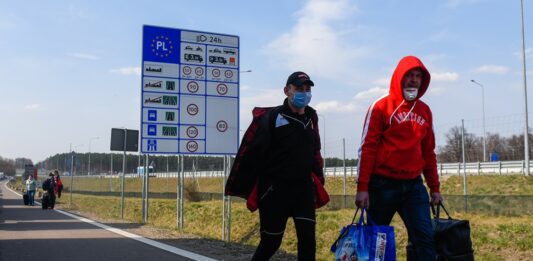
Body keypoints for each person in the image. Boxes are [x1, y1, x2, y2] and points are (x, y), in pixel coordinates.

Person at [225, 71, 327, 261]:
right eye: (299, 88)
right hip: (274, 190)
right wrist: (248, 184)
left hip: (303, 189)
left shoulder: (311, 118)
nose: (304, 93)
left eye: (307, 89)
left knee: (308, 241)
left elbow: (316, 151)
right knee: (271, 241)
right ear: (287, 90)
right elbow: (253, 152)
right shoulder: (273, 117)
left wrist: (319, 178)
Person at [355, 56, 443, 260]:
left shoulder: (425, 111)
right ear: (399, 77)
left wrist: (435, 188)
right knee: (377, 242)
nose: (413, 80)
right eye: (409, 75)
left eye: (418, 76)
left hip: (413, 185)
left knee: (425, 238)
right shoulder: (381, 106)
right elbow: (367, 148)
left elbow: (429, 152)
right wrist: (362, 187)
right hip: (383, 185)